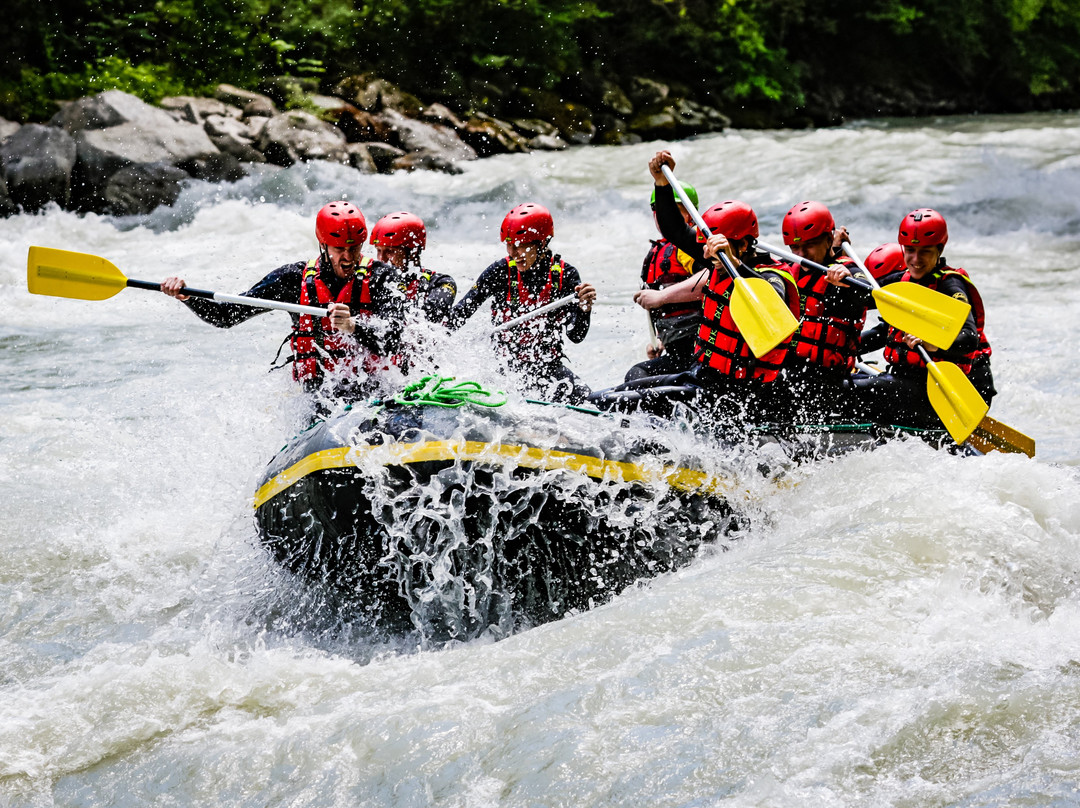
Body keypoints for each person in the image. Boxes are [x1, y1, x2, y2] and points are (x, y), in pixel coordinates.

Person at [589, 151, 800, 428]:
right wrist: (662, 185)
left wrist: (734, 263)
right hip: (701, 377)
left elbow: (771, 306)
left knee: (622, 405)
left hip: (736, 396)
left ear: (744, 245)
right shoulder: (718, 263)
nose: (708, 254)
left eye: (719, 250)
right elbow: (675, 231)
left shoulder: (773, 276)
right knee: (602, 398)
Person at [160, 200, 405, 407]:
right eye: (340, 249)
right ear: (323, 244)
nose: (349, 258)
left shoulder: (382, 279)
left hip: (375, 396)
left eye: (355, 248)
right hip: (318, 400)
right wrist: (187, 297)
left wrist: (353, 325)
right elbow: (226, 316)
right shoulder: (292, 279)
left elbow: (395, 340)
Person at [855, 208, 994, 429]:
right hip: (908, 382)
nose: (915, 259)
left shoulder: (950, 286)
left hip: (945, 391)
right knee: (836, 383)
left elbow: (969, 339)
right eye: (909, 250)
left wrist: (933, 344)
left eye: (925, 252)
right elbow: (860, 296)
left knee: (842, 392)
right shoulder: (903, 281)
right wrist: (836, 257)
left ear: (940, 249)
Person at [446, 203, 597, 403]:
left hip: (548, 369)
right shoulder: (499, 272)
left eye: (521, 245)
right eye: (509, 244)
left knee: (592, 404)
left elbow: (575, 336)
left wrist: (584, 310)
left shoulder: (565, 276)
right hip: (504, 371)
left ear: (542, 243)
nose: (513, 253)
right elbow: (459, 315)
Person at [768, 200, 872, 423]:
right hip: (788, 367)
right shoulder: (792, 268)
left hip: (827, 378)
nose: (802, 254)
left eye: (809, 245)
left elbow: (870, 294)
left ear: (827, 239)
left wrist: (848, 279)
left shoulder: (848, 270)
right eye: (795, 248)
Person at [625, 182, 700, 382]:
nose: (663, 214)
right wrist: (660, 341)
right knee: (637, 375)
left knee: (637, 375)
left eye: (673, 209)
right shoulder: (658, 252)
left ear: (690, 215)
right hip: (677, 352)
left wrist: (661, 297)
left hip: (699, 351)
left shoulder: (689, 248)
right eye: (658, 210)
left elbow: (710, 280)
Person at [369, 211, 457, 324]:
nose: (382, 259)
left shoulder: (440, 283)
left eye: (390, 251)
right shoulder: (371, 281)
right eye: (379, 251)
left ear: (413, 252)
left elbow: (430, 317)